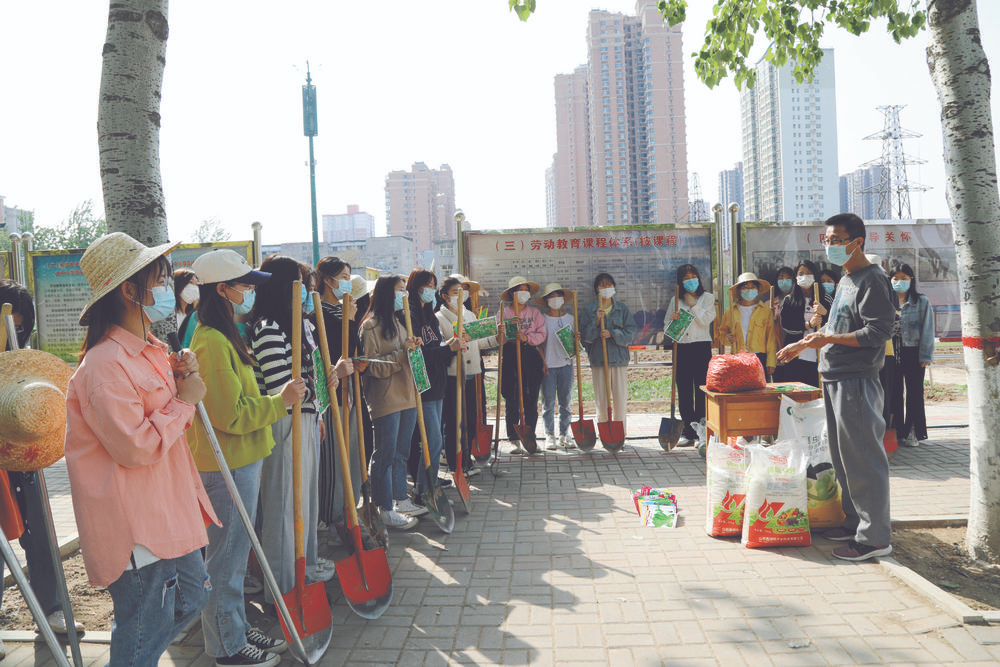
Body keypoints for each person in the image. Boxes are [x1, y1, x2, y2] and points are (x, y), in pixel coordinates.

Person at [64, 233, 217, 665]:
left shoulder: (149, 350)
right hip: (137, 526)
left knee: (192, 597)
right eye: (161, 280)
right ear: (130, 291)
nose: (169, 289)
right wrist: (183, 400)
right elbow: (134, 446)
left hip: (169, 510)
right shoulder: (104, 365)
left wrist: (178, 376)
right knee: (140, 636)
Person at [189, 249, 314, 666]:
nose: (248, 293)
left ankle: (235, 628)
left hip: (242, 459)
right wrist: (281, 400)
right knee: (225, 561)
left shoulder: (226, 335)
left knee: (235, 558)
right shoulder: (210, 341)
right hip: (227, 463)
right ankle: (227, 644)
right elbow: (231, 414)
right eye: (242, 285)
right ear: (221, 290)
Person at [777, 213, 895, 562]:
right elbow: (833, 328)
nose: (829, 245)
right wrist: (806, 342)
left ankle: (874, 538)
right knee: (844, 459)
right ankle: (855, 521)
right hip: (835, 377)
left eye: (835, 239)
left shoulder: (873, 279)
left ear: (856, 242)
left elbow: (879, 332)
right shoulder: (846, 280)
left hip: (856, 380)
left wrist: (827, 337)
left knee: (863, 459)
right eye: (826, 239)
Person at [249, 255, 337, 609]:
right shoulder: (268, 325)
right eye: (303, 287)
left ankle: (306, 567)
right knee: (284, 503)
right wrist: (312, 387)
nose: (308, 295)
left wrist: (324, 384)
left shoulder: (304, 326)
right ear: (286, 287)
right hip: (283, 419)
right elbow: (277, 383)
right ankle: (281, 586)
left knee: (306, 500)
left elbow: (311, 375)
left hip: (306, 416)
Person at [0, 280, 84, 639]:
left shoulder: (24, 351)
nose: (14, 329)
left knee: (40, 532)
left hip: (23, 451)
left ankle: (50, 608)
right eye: (8, 321)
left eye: (20, 323)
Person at [358, 275, 422, 530]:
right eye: (399, 290)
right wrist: (401, 354)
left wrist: (413, 348)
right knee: (383, 455)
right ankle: (383, 508)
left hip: (407, 394)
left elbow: (408, 356)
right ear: (386, 293)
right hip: (385, 398)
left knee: (401, 454)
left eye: (405, 290)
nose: (404, 295)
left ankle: (400, 500)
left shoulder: (400, 321)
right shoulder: (370, 326)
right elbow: (370, 366)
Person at [310, 256, 365, 533]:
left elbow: (353, 350)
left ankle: (348, 508)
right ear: (327, 280)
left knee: (352, 455)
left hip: (350, 392)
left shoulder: (345, 311)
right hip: (331, 395)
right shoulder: (316, 314)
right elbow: (325, 354)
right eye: (342, 276)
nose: (346, 282)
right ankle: (331, 517)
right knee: (334, 457)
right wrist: (350, 321)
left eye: (348, 276)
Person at [405, 269, 463, 508]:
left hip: (438, 384)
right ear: (415, 287)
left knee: (433, 441)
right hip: (424, 386)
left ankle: (427, 486)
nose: (429, 289)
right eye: (426, 285)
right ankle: (422, 489)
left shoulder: (430, 315)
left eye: (432, 285)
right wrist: (447, 349)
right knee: (433, 441)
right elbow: (418, 355)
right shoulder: (409, 316)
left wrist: (450, 344)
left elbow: (436, 345)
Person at [436, 275, 493, 470]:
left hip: (472, 372)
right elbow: (440, 349)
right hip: (453, 375)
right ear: (445, 296)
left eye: (463, 291)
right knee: (453, 421)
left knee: (469, 419)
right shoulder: (439, 318)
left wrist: (497, 338)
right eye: (455, 292)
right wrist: (454, 342)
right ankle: (455, 464)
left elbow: (481, 341)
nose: (461, 295)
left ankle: (466, 459)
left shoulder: (468, 314)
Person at [580, 273, 637, 436]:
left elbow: (631, 333)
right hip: (599, 360)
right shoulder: (590, 310)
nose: (606, 288)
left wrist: (612, 333)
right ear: (596, 289)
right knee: (601, 399)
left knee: (619, 398)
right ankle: (605, 432)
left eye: (609, 284)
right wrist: (596, 322)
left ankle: (620, 433)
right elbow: (586, 337)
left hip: (618, 360)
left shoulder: (622, 309)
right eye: (602, 285)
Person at [664, 265, 716, 446]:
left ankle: (702, 429)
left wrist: (693, 305)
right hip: (682, 348)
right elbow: (667, 329)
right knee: (684, 390)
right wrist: (673, 321)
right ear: (680, 281)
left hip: (701, 347)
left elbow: (706, 321)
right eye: (686, 278)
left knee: (702, 388)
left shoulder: (708, 298)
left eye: (693, 276)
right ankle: (688, 431)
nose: (691, 281)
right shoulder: (675, 300)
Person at [497, 276, 546, 454]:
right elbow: (499, 339)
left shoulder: (534, 313)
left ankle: (530, 435)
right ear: (512, 293)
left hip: (530, 356)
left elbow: (542, 334)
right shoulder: (504, 313)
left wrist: (527, 338)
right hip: (511, 356)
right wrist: (504, 334)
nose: (524, 293)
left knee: (530, 398)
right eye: (520, 290)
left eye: (526, 289)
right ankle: (513, 438)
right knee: (512, 398)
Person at [889, 263, 935, 447]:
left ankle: (913, 432)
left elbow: (928, 330)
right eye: (895, 278)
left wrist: (925, 355)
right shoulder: (886, 301)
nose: (899, 282)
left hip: (914, 351)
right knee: (894, 392)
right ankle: (896, 431)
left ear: (911, 280)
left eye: (904, 278)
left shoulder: (921, 301)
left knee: (915, 392)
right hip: (891, 352)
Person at [535, 282, 577, 450]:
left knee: (566, 402)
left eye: (558, 295)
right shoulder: (542, 319)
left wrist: (577, 339)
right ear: (546, 300)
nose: (555, 299)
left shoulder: (571, 319)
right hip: (548, 366)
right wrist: (543, 362)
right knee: (548, 402)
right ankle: (549, 435)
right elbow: (538, 343)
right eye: (551, 296)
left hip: (567, 365)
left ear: (563, 299)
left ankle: (564, 434)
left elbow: (574, 345)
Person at [776, 260, 831, 386]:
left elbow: (836, 323)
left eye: (808, 273)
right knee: (797, 391)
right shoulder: (789, 300)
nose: (804, 276)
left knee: (818, 390)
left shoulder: (826, 298)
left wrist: (826, 312)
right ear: (796, 277)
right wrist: (808, 324)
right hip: (796, 354)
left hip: (820, 354)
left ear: (815, 275)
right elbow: (786, 325)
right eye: (801, 273)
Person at [718, 272, 777, 378]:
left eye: (753, 287)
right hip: (738, 356)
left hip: (759, 357)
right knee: (740, 390)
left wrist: (771, 361)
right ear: (739, 290)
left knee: (760, 391)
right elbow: (722, 334)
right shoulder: (730, 311)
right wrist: (728, 338)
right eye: (745, 287)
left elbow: (771, 338)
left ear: (758, 290)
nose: (749, 290)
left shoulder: (765, 311)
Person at [174, 267, 200, 347]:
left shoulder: (194, 316)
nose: (194, 288)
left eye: (196, 284)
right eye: (191, 283)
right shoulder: (171, 317)